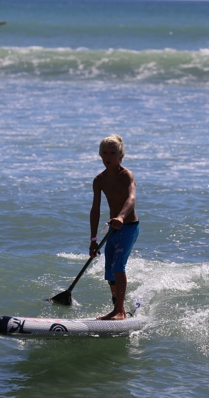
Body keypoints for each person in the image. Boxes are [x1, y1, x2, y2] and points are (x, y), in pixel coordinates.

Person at [89, 134, 139, 320]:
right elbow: (95, 210)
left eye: (113, 153)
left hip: (129, 227)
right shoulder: (99, 180)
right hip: (112, 229)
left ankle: (119, 311)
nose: (108, 157)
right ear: (100, 155)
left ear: (121, 155)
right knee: (110, 270)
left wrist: (120, 216)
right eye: (105, 153)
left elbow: (131, 199)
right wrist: (93, 240)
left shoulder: (126, 175)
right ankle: (117, 308)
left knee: (119, 265)